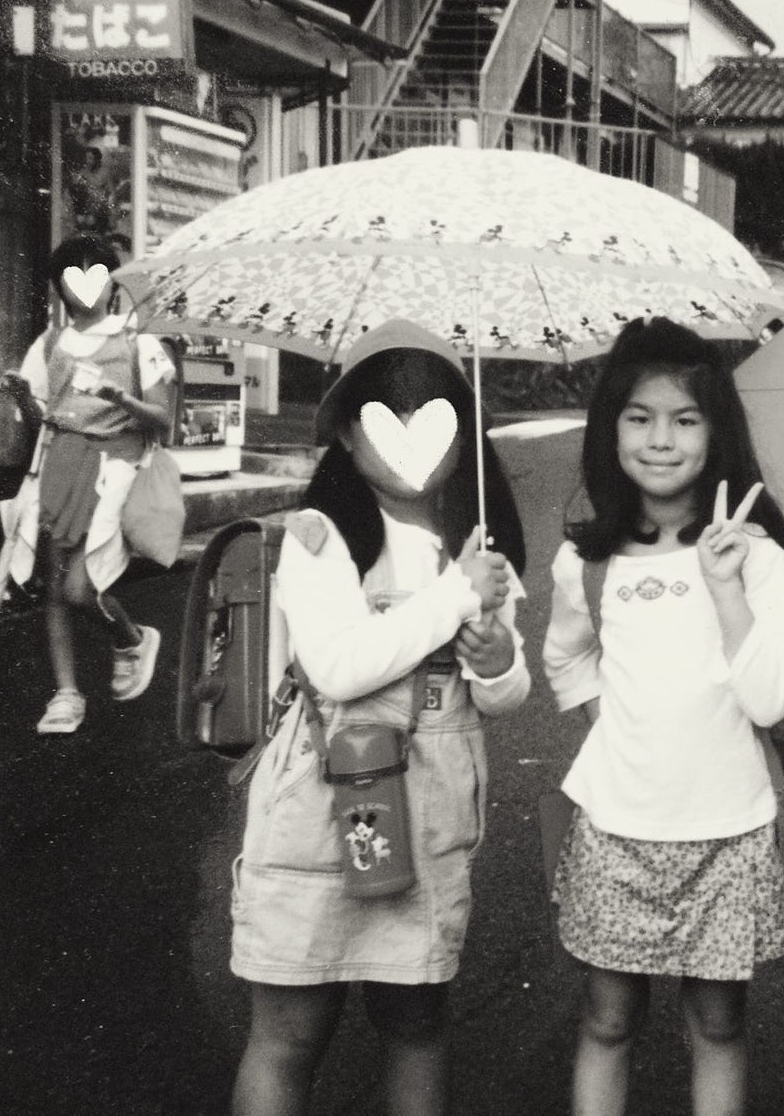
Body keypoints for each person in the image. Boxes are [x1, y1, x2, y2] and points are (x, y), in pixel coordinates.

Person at [228, 320, 529, 1116]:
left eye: (435, 421)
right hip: (319, 807)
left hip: (429, 810)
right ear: (348, 438)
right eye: (385, 421)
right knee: (291, 1028)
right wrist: (453, 597)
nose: (409, 447)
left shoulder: (475, 550)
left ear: (464, 441)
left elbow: (506, 697)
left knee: (418, 1018)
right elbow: (337, 666)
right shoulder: (320, 538)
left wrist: (493, 650)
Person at [543, 318, 784, 1116]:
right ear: (609, 428)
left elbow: (770, 699)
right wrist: (609, 727)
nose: (661, 440)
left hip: (728, 830)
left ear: (716, 432)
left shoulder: (755, 557)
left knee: (718, 1022)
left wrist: (725, 587)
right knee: (607, 1017)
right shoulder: (584, 560)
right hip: (617, 830)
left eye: (685, 420)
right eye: (640, 417)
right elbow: (566, 656)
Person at [0, 234, 174, 733]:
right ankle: (66, 693)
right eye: (73, 276)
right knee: (55, 585)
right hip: (58, 465)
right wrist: (22, 397)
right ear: (59, 290)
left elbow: (163, 420)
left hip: (111, 469)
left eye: (95, 273)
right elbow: (42, 418)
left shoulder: (139, 344)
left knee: (80, 587)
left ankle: (132, 635)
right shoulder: (49, 344)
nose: (85, 287)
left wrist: (123, 400)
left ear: (111, 283)